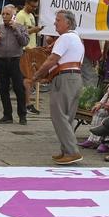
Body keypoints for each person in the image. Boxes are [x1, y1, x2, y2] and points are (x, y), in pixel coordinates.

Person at [30, 9, 85, 165]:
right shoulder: (77, 38)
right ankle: (66, 150)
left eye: (58, 20)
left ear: (68, 23)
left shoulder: (65, 38)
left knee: (59, 115)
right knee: (67, 116)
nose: (55, 23)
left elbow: (52, 60)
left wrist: (37, 75)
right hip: (74, 77)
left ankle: (72, 151)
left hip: (65, 78)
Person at [0, 4, 29, 125]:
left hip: (16, 60)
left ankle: (22, 115)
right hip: (1, 60)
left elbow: (24, 42)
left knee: (19, 88)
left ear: (13, 16)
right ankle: (7, 115)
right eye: (3, 14)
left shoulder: (20, 27)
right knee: (3, 89)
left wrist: (16, 29)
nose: (5, 16)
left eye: (7, 14)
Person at [15, 0, 41, 115]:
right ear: (26, 4)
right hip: (25, 49)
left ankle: (27, 103)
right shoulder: (21, 16)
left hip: (32, 49)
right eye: (32, 6)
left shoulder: (31, 15)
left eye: (36, 7)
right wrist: (33, 30)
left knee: (30, 78)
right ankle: (27, 104)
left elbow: (29, 30)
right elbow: (18, 33)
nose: (34, 9)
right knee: (27, 79)